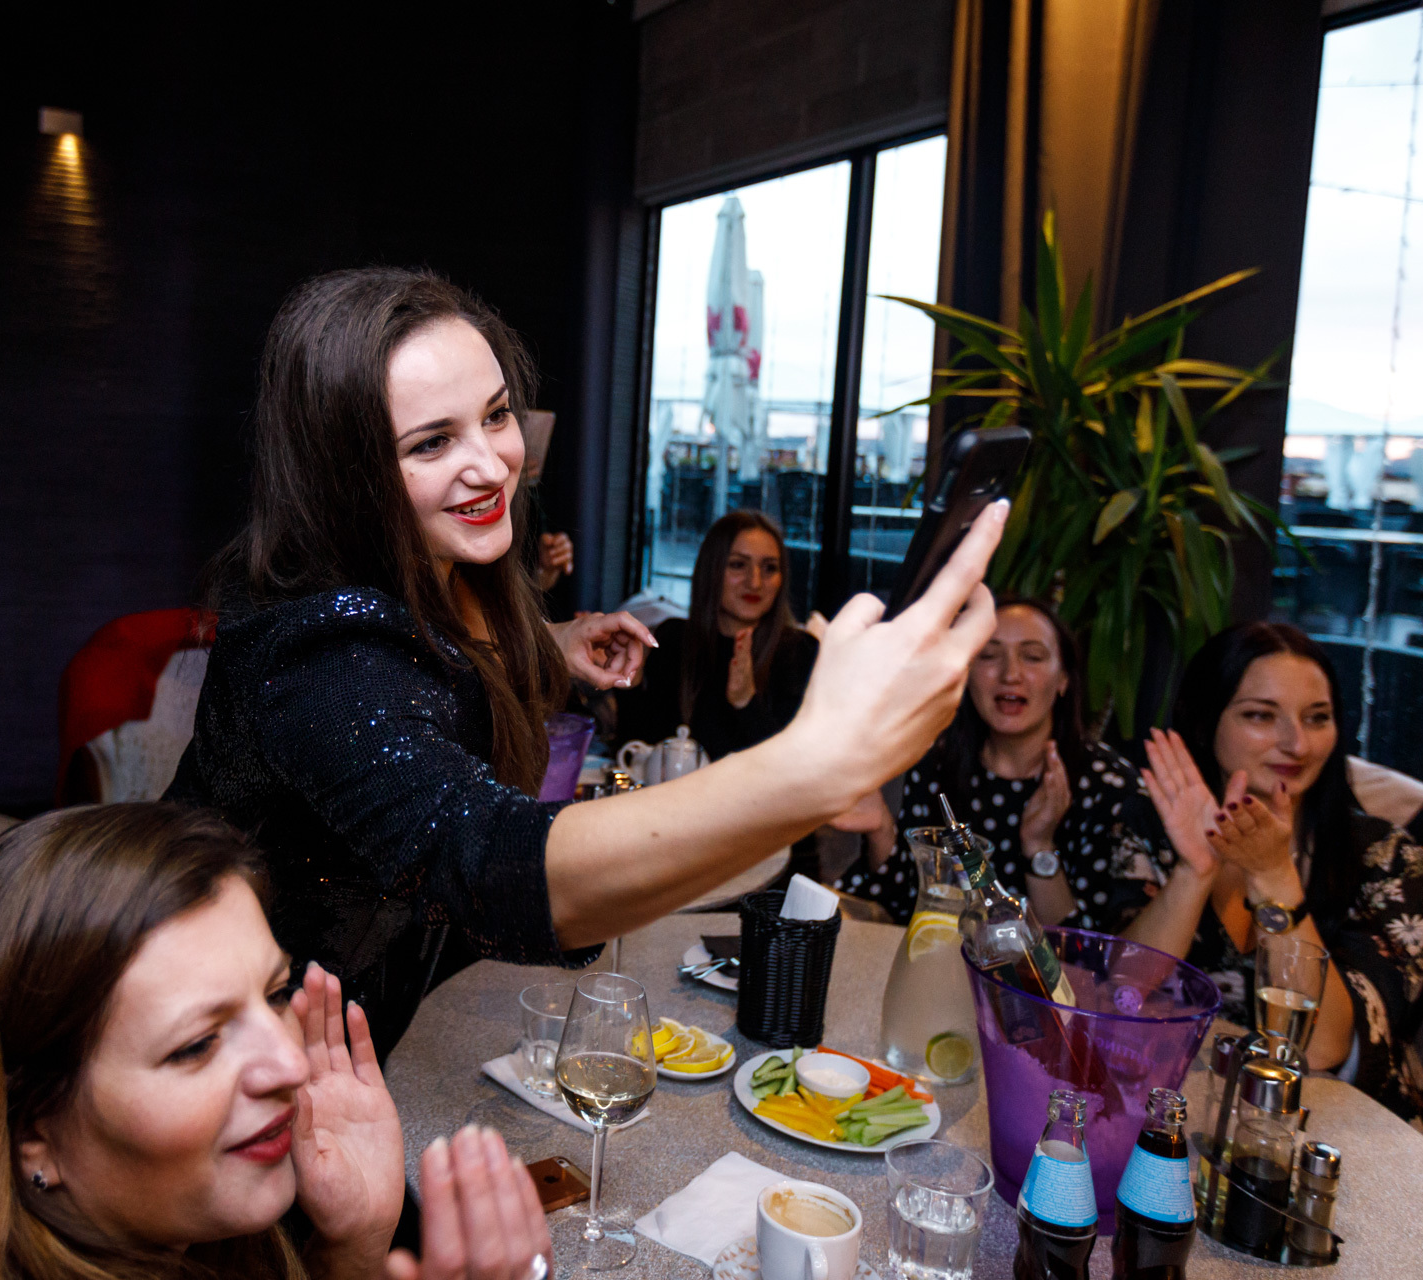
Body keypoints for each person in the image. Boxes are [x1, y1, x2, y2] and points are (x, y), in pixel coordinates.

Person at [166, 267, 1005, 1055]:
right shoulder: (315, 648)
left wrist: (549, 645)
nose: (491, 464)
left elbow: (434, 671)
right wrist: (816, 764)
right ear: (344, 473)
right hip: (246, 1039)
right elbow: (490, 862)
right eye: (431, 443)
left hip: (392, 1011)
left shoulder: (443, 568)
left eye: (497, 416)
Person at [0, 803, 552, 1280]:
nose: (290, 1062)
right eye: (195, 1046)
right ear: (31, 1133)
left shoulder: (187, 1244)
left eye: (275, 993)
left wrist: (355, 1242)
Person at [1129, 622, 1423, 1120]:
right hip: (1172, 1113)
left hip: (1342, 1129)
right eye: (1260, 715)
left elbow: (1321, 1050)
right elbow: (1120, 994)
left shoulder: (1392, 862)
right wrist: (1195, 871)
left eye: (1317, 718)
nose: (1297, 744)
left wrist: (1274, 876)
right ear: (1205, 720)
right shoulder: (1149, 830)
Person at [830, 597, 1175, 932]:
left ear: (1064, 678)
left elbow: (1093, 955)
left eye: (1033, 657)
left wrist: (1039, 846)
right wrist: (881, 830)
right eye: (989, 655)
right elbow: (906, 909)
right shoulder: (935, 763)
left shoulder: (1112, 789)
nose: (1011, 674)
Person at [613, 510, 819, 762]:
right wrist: (630, 683)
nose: (754, 582)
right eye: (738, 565)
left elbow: (796, 767)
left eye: (769, 568)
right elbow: (636, 755)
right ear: (711, 570)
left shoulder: (800, 652)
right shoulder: (676, 638)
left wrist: (746, 703)